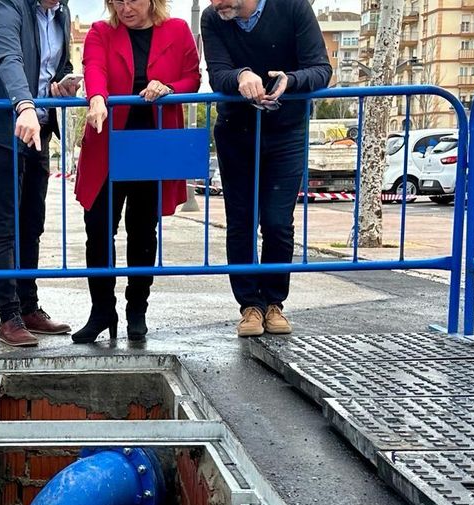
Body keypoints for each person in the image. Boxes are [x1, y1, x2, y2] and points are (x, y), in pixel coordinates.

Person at [73, 0, 200, 343]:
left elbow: (193, 77)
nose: (125, 7)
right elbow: (94, 68)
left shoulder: (176, 29)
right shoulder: (102, 31)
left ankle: (136, 311)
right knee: (98, 230)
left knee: (142, 233)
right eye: (117, 0)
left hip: (152, 146)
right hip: (108, 145)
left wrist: (169, 87)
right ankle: (101, 311)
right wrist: (97, 97)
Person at [201, 0, 331, 337]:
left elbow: (321, 68)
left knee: (277, 222)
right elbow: (217, 73)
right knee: (241, 222)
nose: (216, 4)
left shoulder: (292, 8)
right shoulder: (213, 18)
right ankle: (249, 307)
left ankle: (274, 302)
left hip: (286, 133)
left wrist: (291, 80)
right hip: (235, 133)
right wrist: (241, 75)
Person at [0, 0, 80, 347]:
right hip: (3, 128)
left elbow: (55, 66)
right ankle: (9, 316)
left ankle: (30, 307)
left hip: (39, 128)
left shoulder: (60, 14)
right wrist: (25, 104)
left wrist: (63, 84)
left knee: (32, 221)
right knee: (5, 225)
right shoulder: (7, 6)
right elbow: (9, 59)